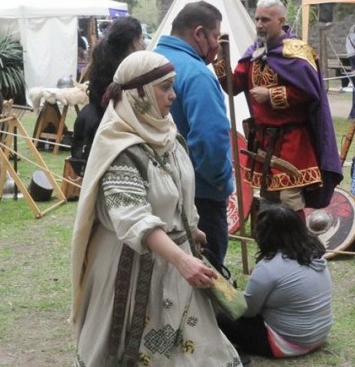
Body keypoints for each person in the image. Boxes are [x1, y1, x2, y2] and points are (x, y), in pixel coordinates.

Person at [70, 51, 241, 366]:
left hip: (179, 263)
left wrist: (192, 230)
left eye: (172, 86)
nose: (173, 95)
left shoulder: (169, 136)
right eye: (165, 87)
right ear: (139, 93)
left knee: (198, 351)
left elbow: (177, 193)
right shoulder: (120, 149)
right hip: (132, 269)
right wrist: (182, 261)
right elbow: (134, 219)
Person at [215, 0, 342, 213]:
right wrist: (220, 59)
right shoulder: (254, 52)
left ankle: (298, 246)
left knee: (289, 199)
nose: (259, 25)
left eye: (265, 20)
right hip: (263, 140)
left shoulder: (297, 52)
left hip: (292, 140)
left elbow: (310, 92)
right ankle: (275, 246)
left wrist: (272, 94)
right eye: (257, 19)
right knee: (268, 198)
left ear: (281, 21)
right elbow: (233, 86)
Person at [154, 1, 233, 271]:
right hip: (200, 197)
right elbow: (210, 140)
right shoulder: (198, 74)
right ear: (198, 33)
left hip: (156, 193)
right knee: (204, 277)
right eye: (214, 36)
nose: (216, 45)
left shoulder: (149, 63)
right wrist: (220, 180)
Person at [217, 203, 333, 359]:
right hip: (319, 336)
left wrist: (225, 293)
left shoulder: (269, 267)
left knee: (220, 315)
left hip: (288, 344)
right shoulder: (314, 255)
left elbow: (247, 310)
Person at [70, 16, 144, 172]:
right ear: (132, 41)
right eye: (140, 38)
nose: (143, 44)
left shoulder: (103, 56)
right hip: (114, 137)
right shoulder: (127, 70)